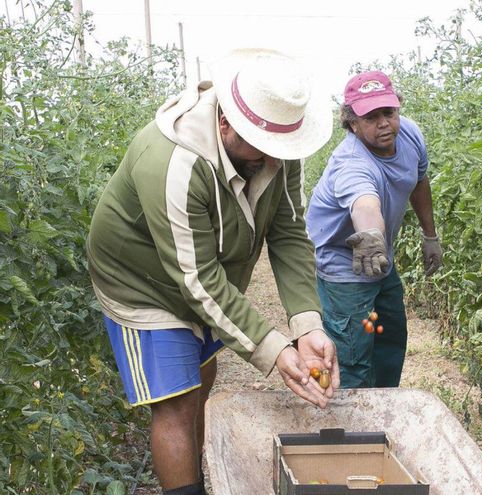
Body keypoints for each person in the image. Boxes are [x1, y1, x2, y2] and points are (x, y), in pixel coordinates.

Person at [86, 48, 340, 495]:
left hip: (205, 272)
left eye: (280, 151)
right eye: (262, 152)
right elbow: (197, 280)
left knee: (202, 377)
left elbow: (288, 232)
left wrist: (305, 324)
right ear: (226, 123)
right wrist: (274, 349)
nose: (272, 162)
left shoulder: (276, 145)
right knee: (177, 405)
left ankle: (198, 473)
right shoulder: (174, 162)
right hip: (142, 282)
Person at [306, 70, 442, 389]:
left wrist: (430, 235)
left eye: (389, 112)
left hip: (379, 257)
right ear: (353, 123)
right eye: (371, 117)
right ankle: (346, 426)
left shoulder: (408, 135)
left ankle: (380, 410)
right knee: (352, 355)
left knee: (389, 339)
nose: (384, 123)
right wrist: (370, 236)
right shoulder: (351, 162)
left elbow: (419, 181)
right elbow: (365, 204)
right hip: (342, 262)